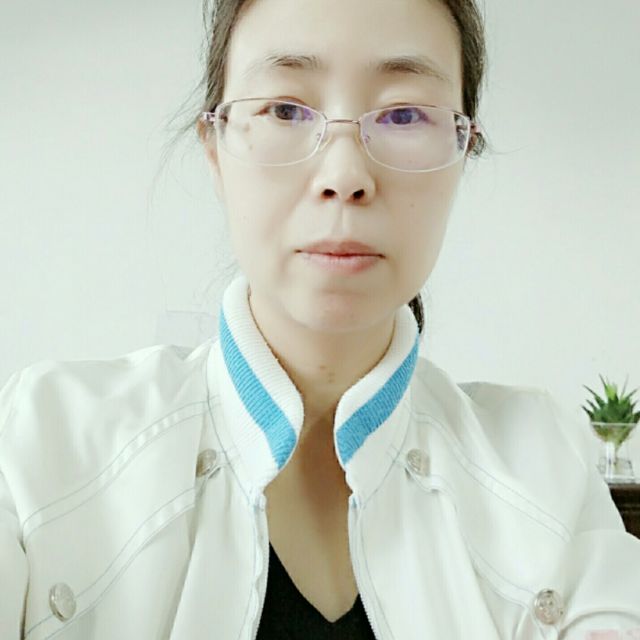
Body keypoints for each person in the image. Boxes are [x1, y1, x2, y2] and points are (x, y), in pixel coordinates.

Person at [2, 0, 640, 638]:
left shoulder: (544, 469)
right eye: (284, 109)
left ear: (463, 148)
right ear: (215, 147)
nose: (345, 175)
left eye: (403, 114)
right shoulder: (44, 445)